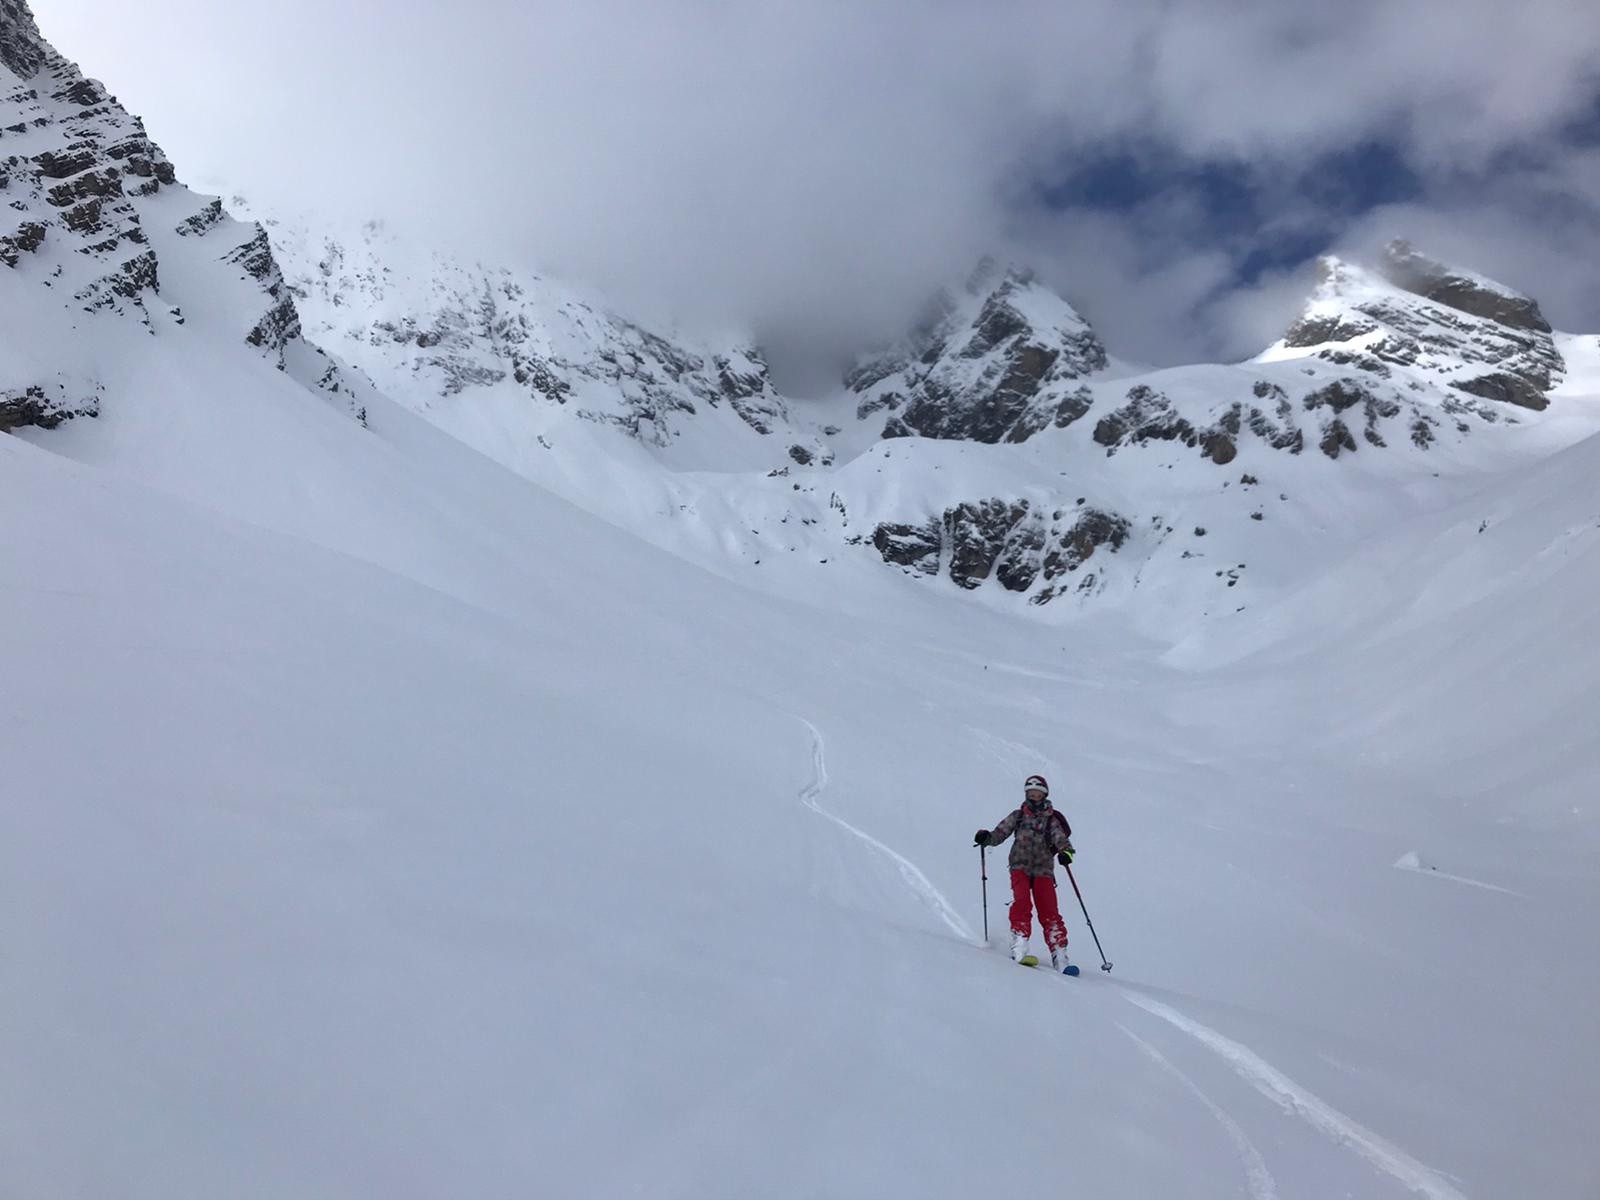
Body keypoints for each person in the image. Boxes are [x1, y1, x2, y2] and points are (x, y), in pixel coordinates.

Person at [974, 774, 1076, 971]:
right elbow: (1000, 833)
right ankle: (1019, 943)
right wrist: (986, 838)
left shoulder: (1051, 820)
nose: (1035, 797)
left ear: (1045, 795)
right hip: (1019, 866)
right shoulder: (1018, 815)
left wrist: (1066, 853)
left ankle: (1059, 953)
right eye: (1031, 793)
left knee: (1049, 910)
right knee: (1022, 902)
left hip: (1043, 870)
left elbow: (1061, 839)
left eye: (1038, 794)